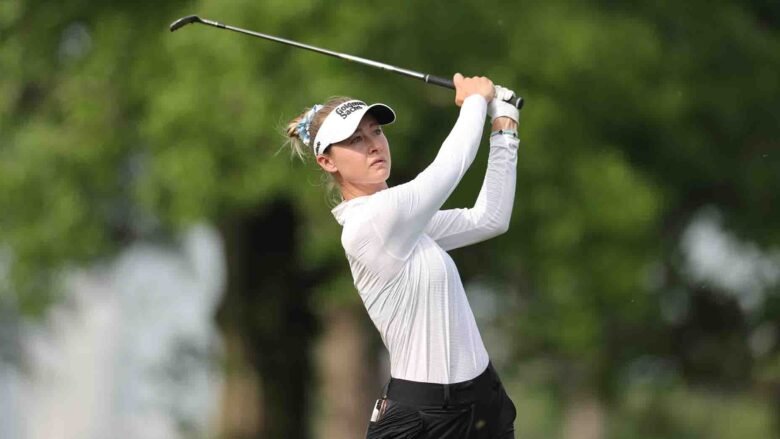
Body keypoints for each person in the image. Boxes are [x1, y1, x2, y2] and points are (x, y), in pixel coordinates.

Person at [285, 73, 520, 438]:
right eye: (355, 140)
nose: (373, 145)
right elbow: (448, 169)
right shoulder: (368, 224)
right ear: (327, 162)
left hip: (484, 405)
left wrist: (505, 124)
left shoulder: (409, 226)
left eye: (376, 131)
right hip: (421, 420)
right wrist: (475, 100)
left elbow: (490, 219)